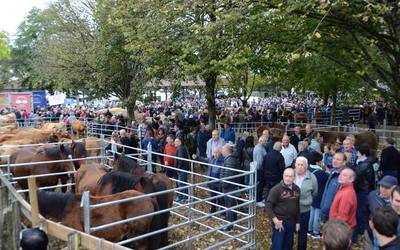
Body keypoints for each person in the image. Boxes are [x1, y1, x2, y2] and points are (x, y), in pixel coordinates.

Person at [265, 168, 300, 250]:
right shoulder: (276, 190)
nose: (287, 178)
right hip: (280, 222)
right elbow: (268, 206)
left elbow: (297, 206)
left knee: (288, 245)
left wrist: (298, 222)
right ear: (283, 176)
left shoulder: (297, 189)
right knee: (278, 246)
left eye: (290, 176)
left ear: (294, 177)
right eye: (286, 176)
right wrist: (275, 220)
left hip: (291, 222)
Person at [365, 176, 398, 250]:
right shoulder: (372, 195)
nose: (383, 190)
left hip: (388, 237)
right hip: (371, 232)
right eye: (381, 186)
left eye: (387, 188)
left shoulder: (396, 203)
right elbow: (366, 211)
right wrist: (367, 227)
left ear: (394, 188)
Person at [294, 156, 318, 250]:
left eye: (302, 165)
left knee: (302, 235)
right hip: (290, 210)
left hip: (304, 211)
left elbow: (314, 193)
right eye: (298, 164)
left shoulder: (312, 178)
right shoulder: (290, 174)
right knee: (288, 234)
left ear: (306, 166)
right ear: (295, 165)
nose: (299, 167)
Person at [352, 145, 375, 243]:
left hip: (363, 191)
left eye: (358, 152)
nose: (356, 153)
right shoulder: (361, 162)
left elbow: (358, 179)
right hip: (363, 189)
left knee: (361, 210)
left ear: (362, 153)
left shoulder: (364, 164)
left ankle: (361, 230)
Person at [220, 144, 241, 231]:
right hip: (232, 186)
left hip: (229, 187)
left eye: (223, 150)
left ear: (227, 151)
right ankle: (233, 221)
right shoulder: (230, 159)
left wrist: (224, 185)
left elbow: (228, 175)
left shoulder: (230, 160)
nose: (222, 151)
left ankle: (229, 225)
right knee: (231, 205)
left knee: (229, 206)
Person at [308, 151, 328, 239]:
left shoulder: (308, 169)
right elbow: (328, 178)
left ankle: (309, 229)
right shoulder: (321, 173)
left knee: (311, 212)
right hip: (319, 195)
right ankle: (315, 232)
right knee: (317, 214)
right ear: (317, 162)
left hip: (310, 193)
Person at [320, 152, 346, 221]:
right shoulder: (332, 172)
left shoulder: (344, 178)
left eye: (338, 159)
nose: (335, 161)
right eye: (334, 158)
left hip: (333, 216)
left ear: (344, 162)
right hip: (325, 213)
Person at [207, 148, 224, 214]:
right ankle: (213, 210)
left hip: (219, 182)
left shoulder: (222, 161)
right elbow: (205, 160)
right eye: (214, 152)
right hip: (212, 181)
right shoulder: (212, 159)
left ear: (220, 153)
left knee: (221, 198)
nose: (215, 154)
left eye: (216, 152)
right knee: (213, 197)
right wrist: (197, 157)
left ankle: (222, 212)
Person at [253, 135, 267, 207]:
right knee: (260, 185)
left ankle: (259, 198)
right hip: (259, 169)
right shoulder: (259, 149)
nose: (266, 142)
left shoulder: (261, 147)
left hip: (260, 169)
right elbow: (260, 162)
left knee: (260, 185)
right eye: (265, 141)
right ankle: (258, 200)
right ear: (261, 141)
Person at [174, 137, 190, 202]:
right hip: (183, 168)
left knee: (181, 183)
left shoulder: (180, 148)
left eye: (176, 141)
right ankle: (185, 196)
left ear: (180, 142)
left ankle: (180, 197)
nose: (175, 143)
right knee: (183, 182)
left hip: (182, 168)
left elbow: (180, 159)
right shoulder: (181, 148)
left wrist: (178, 167)